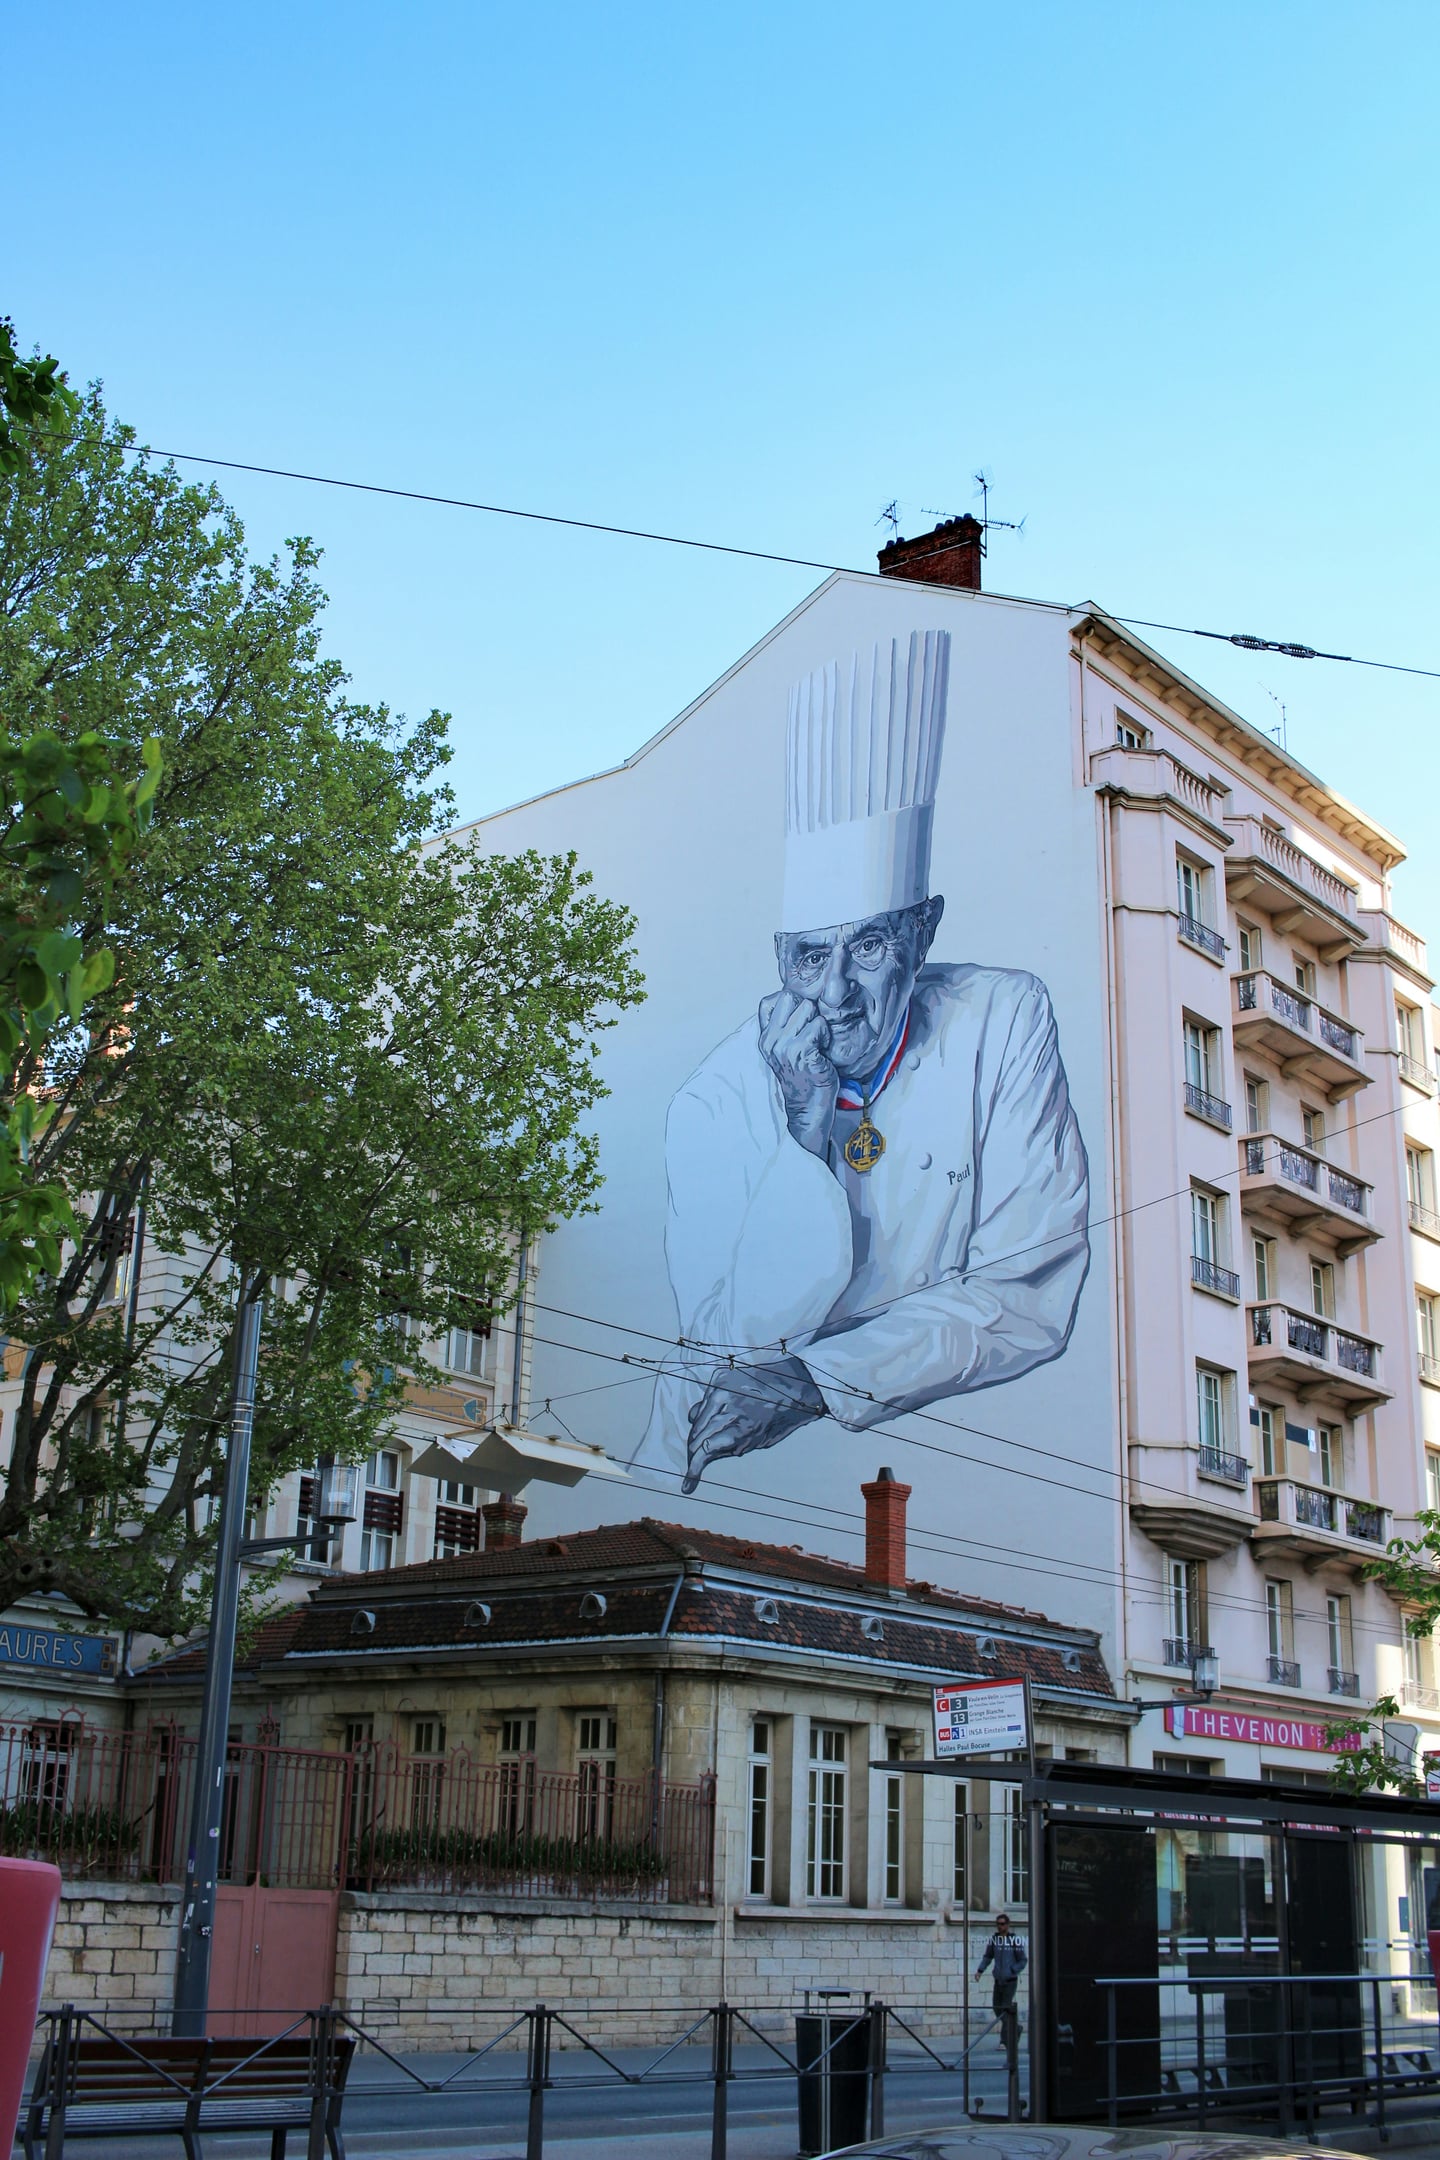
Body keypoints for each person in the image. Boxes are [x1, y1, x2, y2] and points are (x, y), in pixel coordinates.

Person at [637, 628, 1091, 1491]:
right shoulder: (713, 1101)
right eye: (810, 956)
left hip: (921, 1475)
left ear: (922, 933)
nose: (836, 991)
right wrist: (803, 1139)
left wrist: (820, 1379)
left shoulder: (1002, 1016)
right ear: (780, 956)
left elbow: (1027, 1293)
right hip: (706, 1470)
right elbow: (733, 1341)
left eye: (869, 947)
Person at [976, 1913, 1027, 2018]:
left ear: (1007, 1925)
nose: (1000, 1926)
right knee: (997, 2008)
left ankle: (1007, 2033)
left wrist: (1013, 1970)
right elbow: (988, 1957)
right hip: (998, 1981)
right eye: (998, 1924)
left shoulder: (1014, 1940)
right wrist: (980, 1971)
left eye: (1002, 1924)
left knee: (1005, 2008)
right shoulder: (994, 1940)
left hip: (1010, 1981)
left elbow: (1023, 1960)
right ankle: (1015, 2029)